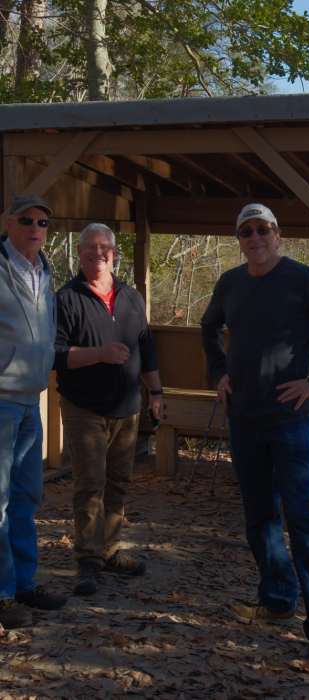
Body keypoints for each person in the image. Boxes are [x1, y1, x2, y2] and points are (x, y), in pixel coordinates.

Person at [201, 203, 309, 671]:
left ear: (278, 235)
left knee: (304, 521)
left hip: (291, 420)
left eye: (263, 229)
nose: (255, 237)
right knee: (259, 516)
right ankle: (276, 601)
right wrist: (218, 372)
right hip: (244, 418)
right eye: (246, 231)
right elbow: (208, 326)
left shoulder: (302, 279)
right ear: (239, 239)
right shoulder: (231, 283)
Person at [54, 223, 163, 596]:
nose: (97, 253)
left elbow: (147, 348)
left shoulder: (132, 298)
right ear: (80, 254)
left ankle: (111, 549)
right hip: (84, 407)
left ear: (114, 254)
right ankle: (88, 560)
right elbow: (57, 355)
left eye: (104, 248)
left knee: (119, 481)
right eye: (89, 248)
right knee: (90, 484)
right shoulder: (66, 298)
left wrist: (157, 392)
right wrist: (99, 354)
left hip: (128, 407)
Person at [0, 194, 67, 629]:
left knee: (26, 497)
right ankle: (3, 593)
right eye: (27, 220)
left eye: (43, 221)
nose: (36, 227)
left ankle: (24, 583)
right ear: (7, 222)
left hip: (32, 400)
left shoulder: (45, 270)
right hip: (1, 399)